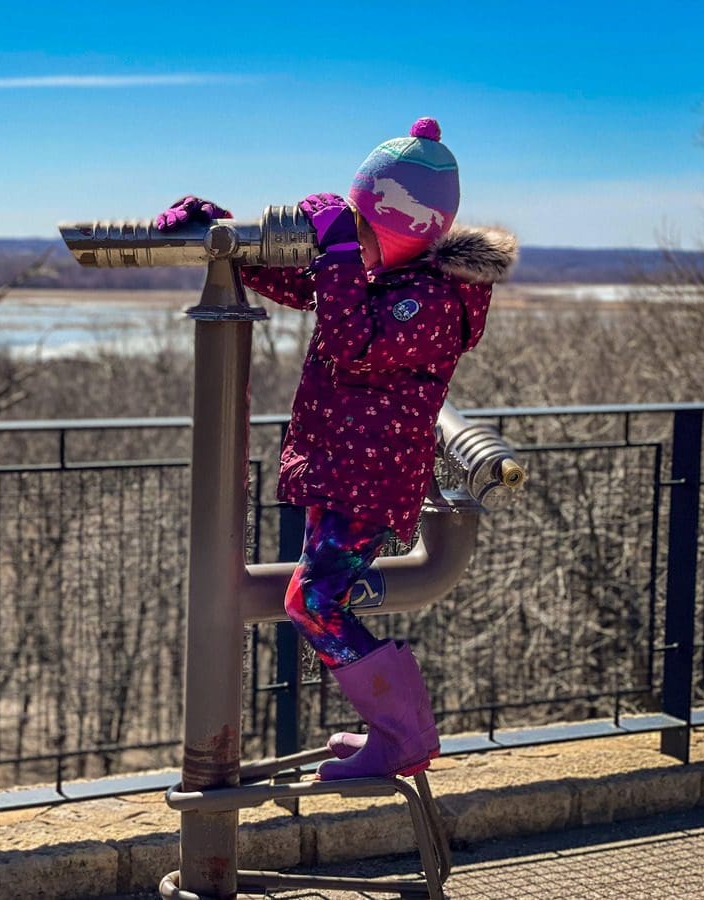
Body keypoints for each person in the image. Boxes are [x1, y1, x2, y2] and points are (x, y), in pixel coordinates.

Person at [154, 118, 517, 780]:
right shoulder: (383, 278)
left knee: (313, 603)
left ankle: (403, 735)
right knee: (318, 599)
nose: (353, 243)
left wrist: (340, 252)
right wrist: (217, 227)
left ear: (403, 228)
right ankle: (392, 733)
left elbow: (354, 345)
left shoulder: (433, 300)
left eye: (363, 229)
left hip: (368, 484)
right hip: (341, 474)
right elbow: (311, 292)